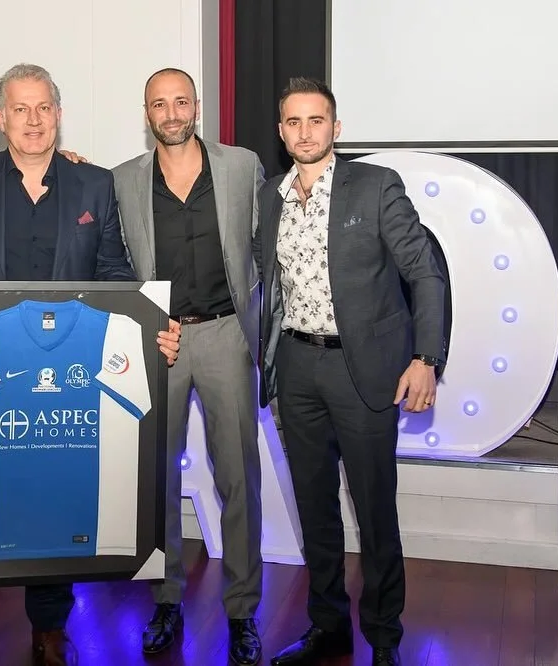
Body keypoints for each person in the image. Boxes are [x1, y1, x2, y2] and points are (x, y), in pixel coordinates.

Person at [0, 63, 179, 666]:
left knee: (53, 494)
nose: (33, 120)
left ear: (58, 114)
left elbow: (112, 273)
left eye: (44, 108)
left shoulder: (93, 185)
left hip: (61, 369)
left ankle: (49, 630)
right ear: (1, 118)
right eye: (20, 109)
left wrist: (147, 328)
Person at [256, 78, 446, 666]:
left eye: (317, 121)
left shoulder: (376, 186)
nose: (304, 132)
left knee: (374, 511)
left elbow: (427, 274)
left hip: (364, 373)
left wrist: (426, 358)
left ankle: (385, 638)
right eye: (293, 122)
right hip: (296, 367)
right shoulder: (269, 196)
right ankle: (328, 627)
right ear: (282, 130)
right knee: (314, 510)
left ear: (336, 129)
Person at [111, 68, 265, 666]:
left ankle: (244, 609)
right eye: (159, 104)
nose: (171, 113)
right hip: (160, 340)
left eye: (180, 101)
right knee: (157, 478)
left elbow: (263, 244)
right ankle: (167, 597)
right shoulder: (122, 181)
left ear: (197, 105)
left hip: (227, 333)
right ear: (146, 112)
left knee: (238, 477)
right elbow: (114, 257)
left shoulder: (242, 167)